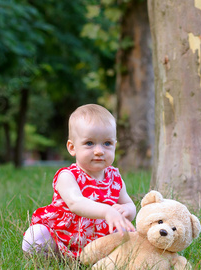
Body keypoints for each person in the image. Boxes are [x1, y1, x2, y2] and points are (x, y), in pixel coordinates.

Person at [22, 104, 136, 259]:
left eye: (107, 143)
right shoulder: (68, 176)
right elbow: (76, 203)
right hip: (62, 238)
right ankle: (52, 257)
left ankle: (102, 259)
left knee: (130, 235)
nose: (99, 151)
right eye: (89, 143)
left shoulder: (115, 177)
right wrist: (107, 211)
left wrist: (127, 211)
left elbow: (129, 203)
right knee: (36, 236)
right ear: (72, 147)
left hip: (99, 240)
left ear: (115, 146)